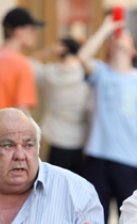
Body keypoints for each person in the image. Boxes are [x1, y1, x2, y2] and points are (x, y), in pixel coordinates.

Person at [78, 15, 137, 224]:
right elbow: (82, 58)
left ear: (134, 50)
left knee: (131, 221)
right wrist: (106, 29)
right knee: (96, 219)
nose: (121, 37)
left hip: (129, 159)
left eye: (126, 38)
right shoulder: (101, 73)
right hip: (98, 156)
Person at [33, 37, 91, 176]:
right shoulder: (85, 73)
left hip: (56, 139)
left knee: (55, 187)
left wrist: (49, 51)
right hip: (81, 141)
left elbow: (29, 62)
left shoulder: (50, 72)